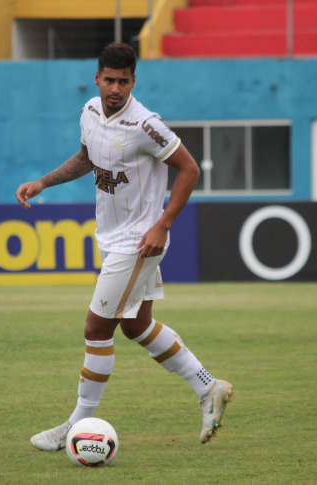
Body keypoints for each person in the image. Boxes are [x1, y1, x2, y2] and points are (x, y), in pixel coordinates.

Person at [16, 43, 234, 450]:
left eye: (124, 81)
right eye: (110, 79)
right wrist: (43, 182)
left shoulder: (146, 125)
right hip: (111, 238)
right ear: (97, 77)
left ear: (134, 82)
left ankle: (75, 425)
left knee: (96, 328)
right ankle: (210, 387)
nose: (116, 88)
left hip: (138, 241)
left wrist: (163, 224)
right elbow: (86, 158)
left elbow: (188, 169)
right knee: (135, 325)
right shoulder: (90, 112)